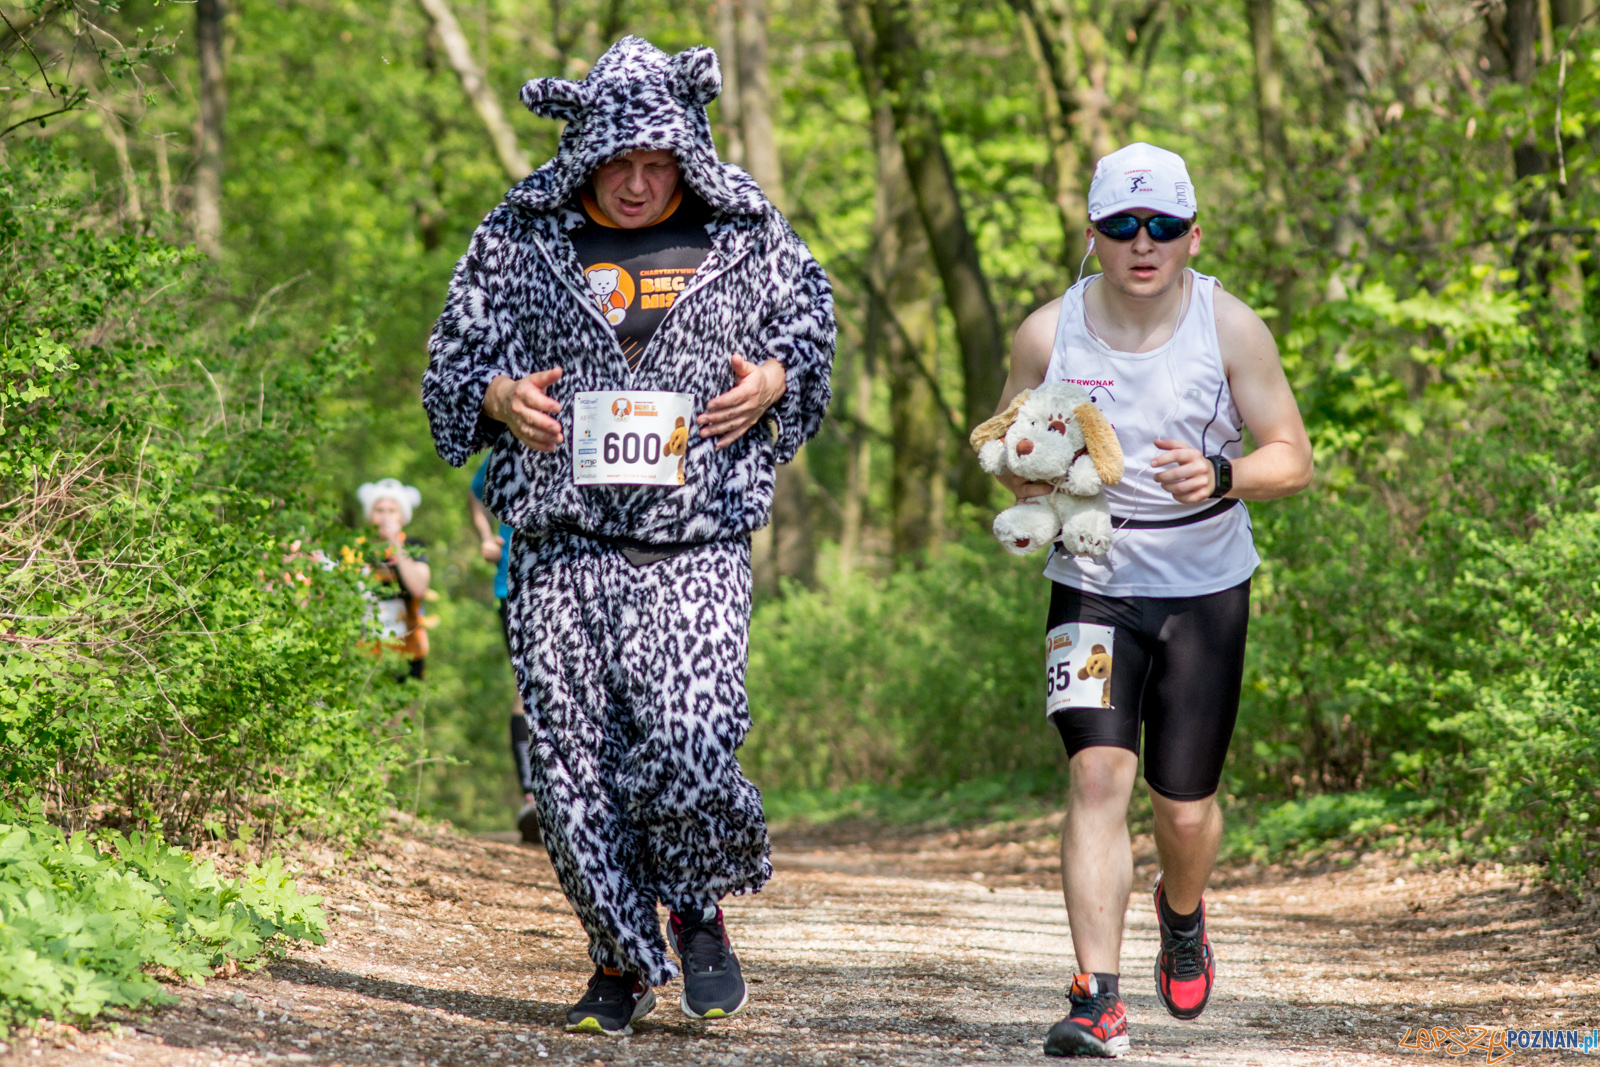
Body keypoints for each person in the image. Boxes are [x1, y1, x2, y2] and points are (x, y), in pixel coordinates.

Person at [421, 37, 834, 1037]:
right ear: (587, 158)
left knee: (688, 739)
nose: (641, 184)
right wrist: (500, 396)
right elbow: (449, 365)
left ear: (685, 154)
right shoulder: (518, 235)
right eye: (621, 166)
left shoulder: (744, 229)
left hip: (694, 538)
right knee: (569, 765)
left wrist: (773, 382)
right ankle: (616, 954)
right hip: (561, 541)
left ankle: (695, 905)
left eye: (659, 165)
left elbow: (812, 331)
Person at [982, 143, 1313, 1058]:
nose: (1142, 243)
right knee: (1096, 775)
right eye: (1123, 226)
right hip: (1090, 586)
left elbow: (1294, 454)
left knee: (1183, 808)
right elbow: (1009, 447)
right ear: (1092, 233)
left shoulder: (1230, 327)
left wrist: (1222, 473)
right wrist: (1028, 479)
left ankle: (1181, 909)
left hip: (1203, 588)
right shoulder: (1048, 333)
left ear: (1191, 234)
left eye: (1162, 227)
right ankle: (1097, 996)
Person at [469, 458, 541, 844]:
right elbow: (475, 493)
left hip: (571, 578)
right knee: (526, 685)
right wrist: (485, 536)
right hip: (512, 586)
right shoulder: (510, 443)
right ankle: (532, 798)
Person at [357, 479, 431, 681]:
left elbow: (418, 588)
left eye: (392, 511)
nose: (385, 517)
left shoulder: (413, 547)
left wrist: (395, 544)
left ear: (403, 516)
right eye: (379, 510)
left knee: (405, 710)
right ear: (370, 514)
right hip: (366, 651)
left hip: (408, 649)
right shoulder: (356, 549)